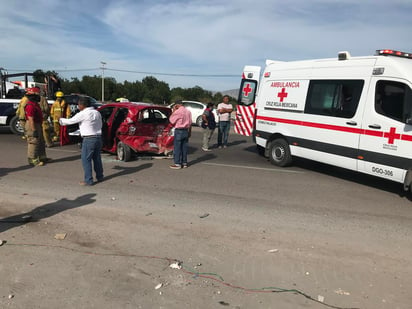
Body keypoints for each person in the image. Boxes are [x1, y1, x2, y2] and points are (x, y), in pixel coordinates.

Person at [59, 97, 104, 186]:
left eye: (78, 105)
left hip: (89, 139)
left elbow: (71, 121)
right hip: (98, 137)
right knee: (97, 158)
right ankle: (100, 176)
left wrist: (60, 120)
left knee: (86, 160)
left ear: (82, 105)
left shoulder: (83, 113)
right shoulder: (97, 112)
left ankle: (88, 180)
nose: (78, 106)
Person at [24, 87, 49, 166]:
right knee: (33, 142)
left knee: (41, 141)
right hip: (33, 124)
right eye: (38, 95)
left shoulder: (35, 104)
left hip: (37, 124)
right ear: (33, 96)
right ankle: (32, 159)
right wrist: (34, 130)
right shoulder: (30, 105)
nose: (39, 97)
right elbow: (31, 119)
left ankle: (42, 157)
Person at [169, 100, 192, 169]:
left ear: (176, 105)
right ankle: (184, 163)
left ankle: (177, 163)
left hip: (179, 130)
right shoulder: (188, 111)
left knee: (177, 148)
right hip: (186, 130)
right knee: (184, 148)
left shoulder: (178, 111)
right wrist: (189, 132)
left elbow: (171, 120)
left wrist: (173, 110)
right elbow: (190, 123)